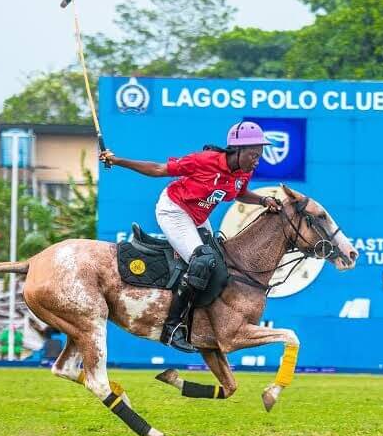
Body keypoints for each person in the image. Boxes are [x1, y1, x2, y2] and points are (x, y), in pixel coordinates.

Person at [99, 121, 281, 352]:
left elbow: (240, 193)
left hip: (197, 217)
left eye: (260, 155)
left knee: (219, 263)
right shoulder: (205, 161)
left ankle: (202, 323)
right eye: (254, 154)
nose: (257, 160)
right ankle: (172, 328)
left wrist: (263, 200)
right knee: (203, 260)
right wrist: (118, 160)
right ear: (237, 150)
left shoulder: (244, 172)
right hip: (174, 210)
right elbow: (158, 169)